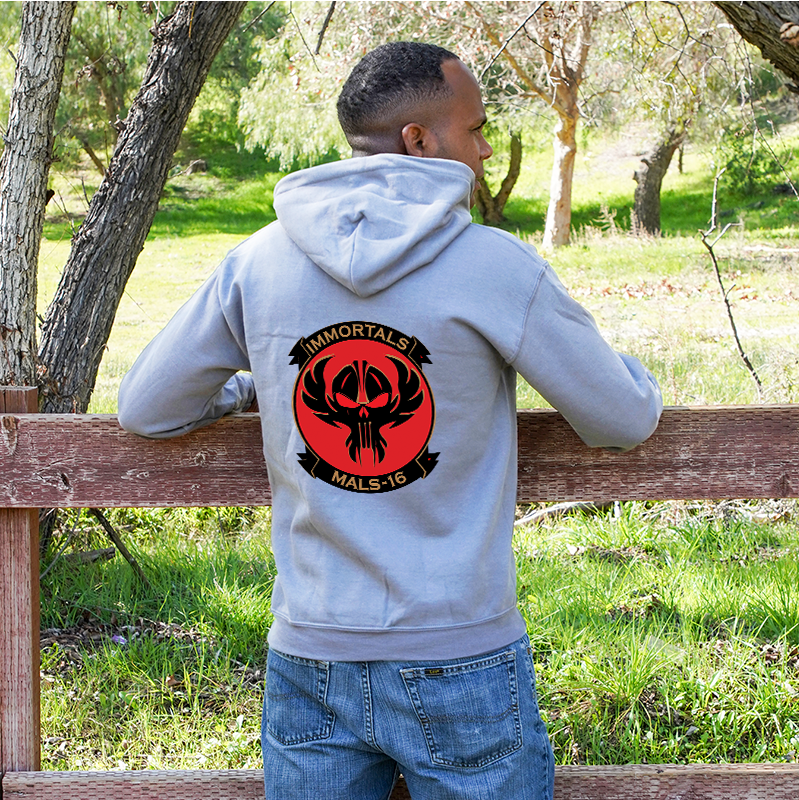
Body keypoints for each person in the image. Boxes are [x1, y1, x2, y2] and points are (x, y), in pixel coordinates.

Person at [118, 41, 662, 800]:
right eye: (475, 129)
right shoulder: (495, 267)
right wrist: (632, 373)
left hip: (310, 652)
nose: (484, 151)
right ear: (419, 139)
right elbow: (620, 419)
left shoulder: (258, 262)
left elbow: (146, 407)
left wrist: (247, 389)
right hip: (460, 649)